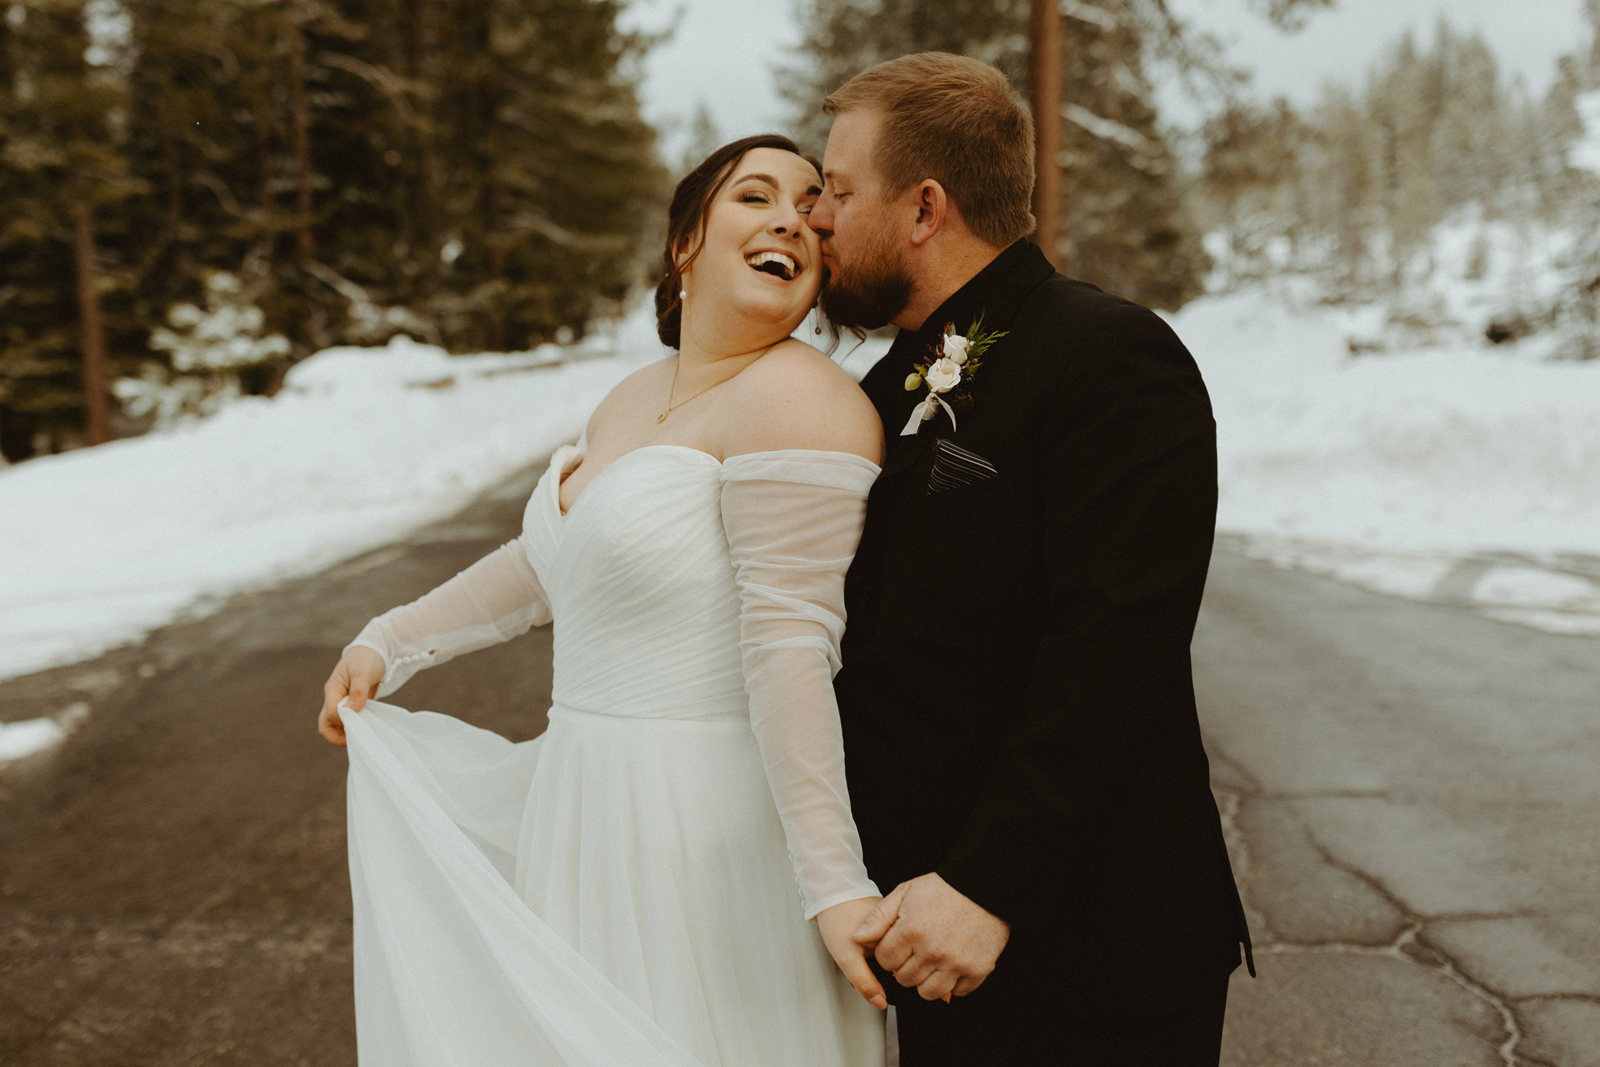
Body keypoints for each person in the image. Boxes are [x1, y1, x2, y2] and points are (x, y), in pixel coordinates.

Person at [316, 135, 894, 1067]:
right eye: (755, 196)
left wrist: (832, 884)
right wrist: (393, 640)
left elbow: (793, 650)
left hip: (703, 833)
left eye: (809, 208)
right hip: (579, 806)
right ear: (685, 244)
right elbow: (551, 562)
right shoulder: (632, 397)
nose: (791, 216)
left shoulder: (801, 402)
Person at [809, 53, 1254, 1065]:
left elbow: (1115, 646)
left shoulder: (1110, 355)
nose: (821, 217)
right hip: (928, 945)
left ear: (923, 208)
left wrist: (986, 883)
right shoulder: (883, 385)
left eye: (838, 190)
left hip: (1088, 948)